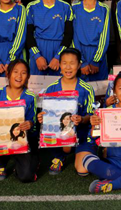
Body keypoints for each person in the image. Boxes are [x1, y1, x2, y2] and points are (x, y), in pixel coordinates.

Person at [37, 48, 96, 176]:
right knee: (47, 131)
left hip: (80, 134)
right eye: (64, 63)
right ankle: (59, 156)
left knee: (83, 170)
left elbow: (91, 116)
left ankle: (80, 151)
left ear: (79, 65)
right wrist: (42, 118)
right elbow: (47, 116)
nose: (68, 67)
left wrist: (82, 119)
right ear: (59, 64)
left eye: (72, 63)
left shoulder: (87, 89)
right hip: (58, 133)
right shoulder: (51, 88)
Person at [0, 59, 39, 182]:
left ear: (28, 76)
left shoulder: (30, 96)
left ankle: (26, 162)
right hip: (1, 139)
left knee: (26, 176)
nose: (19, 76)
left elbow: (33, 126)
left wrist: (30, 124)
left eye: (23, 73)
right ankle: (0, 164)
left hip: (22, 141)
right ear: (8, 74)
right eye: (15, 72)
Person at [25, 0, 74, 76]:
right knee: (36, 85)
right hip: (38, 49)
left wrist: (58, 57)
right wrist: (37, 56)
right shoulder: (31, 7)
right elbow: (28, 34)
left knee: (58, 85)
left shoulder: (66, 7)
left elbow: (68, 35)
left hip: (58, 49)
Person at [72, 0, 110, 81]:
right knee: (80, 88)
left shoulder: (104, 9)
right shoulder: (74, 9)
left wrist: (96, 60)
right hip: (80, 53)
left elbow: (104, 36)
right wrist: (81, 61)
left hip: (98, 54)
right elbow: (74, 37)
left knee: (100, 88)